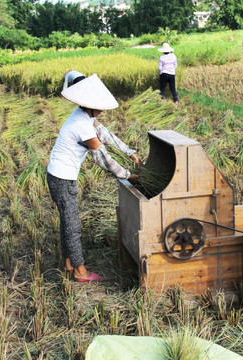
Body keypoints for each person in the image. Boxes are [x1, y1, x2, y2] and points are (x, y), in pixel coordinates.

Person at [47, 74, 141, 282]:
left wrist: (128, 151)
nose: (101, 110)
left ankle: (70, 263)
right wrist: (128, 176)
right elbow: (103, 158)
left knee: (68, 222)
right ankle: (80, 272)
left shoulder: (85, 117)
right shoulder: (81, 126)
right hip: (61, 179)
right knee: (73, 225)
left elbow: (105, 134)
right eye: (98, 106)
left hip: (60, 176)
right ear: (88, 105)